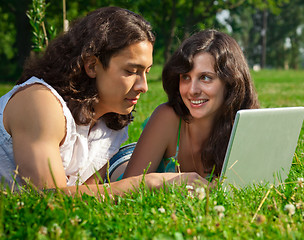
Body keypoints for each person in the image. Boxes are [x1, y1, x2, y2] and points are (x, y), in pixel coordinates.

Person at [0, 6, 205, 195]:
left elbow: (88, 196)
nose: (144, 86)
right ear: (91, 65)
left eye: (146, 72)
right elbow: (48, 200)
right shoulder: (39, 103)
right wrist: (147, 183)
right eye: (131, 71)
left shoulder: (109, 124)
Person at [123, 29, 259, 180]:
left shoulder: (244, 126)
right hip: (122, 162)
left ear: (230, 82)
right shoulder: (167, 117)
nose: (192, 90)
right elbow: (128, 186)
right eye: (186, 77)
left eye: (205, 78)